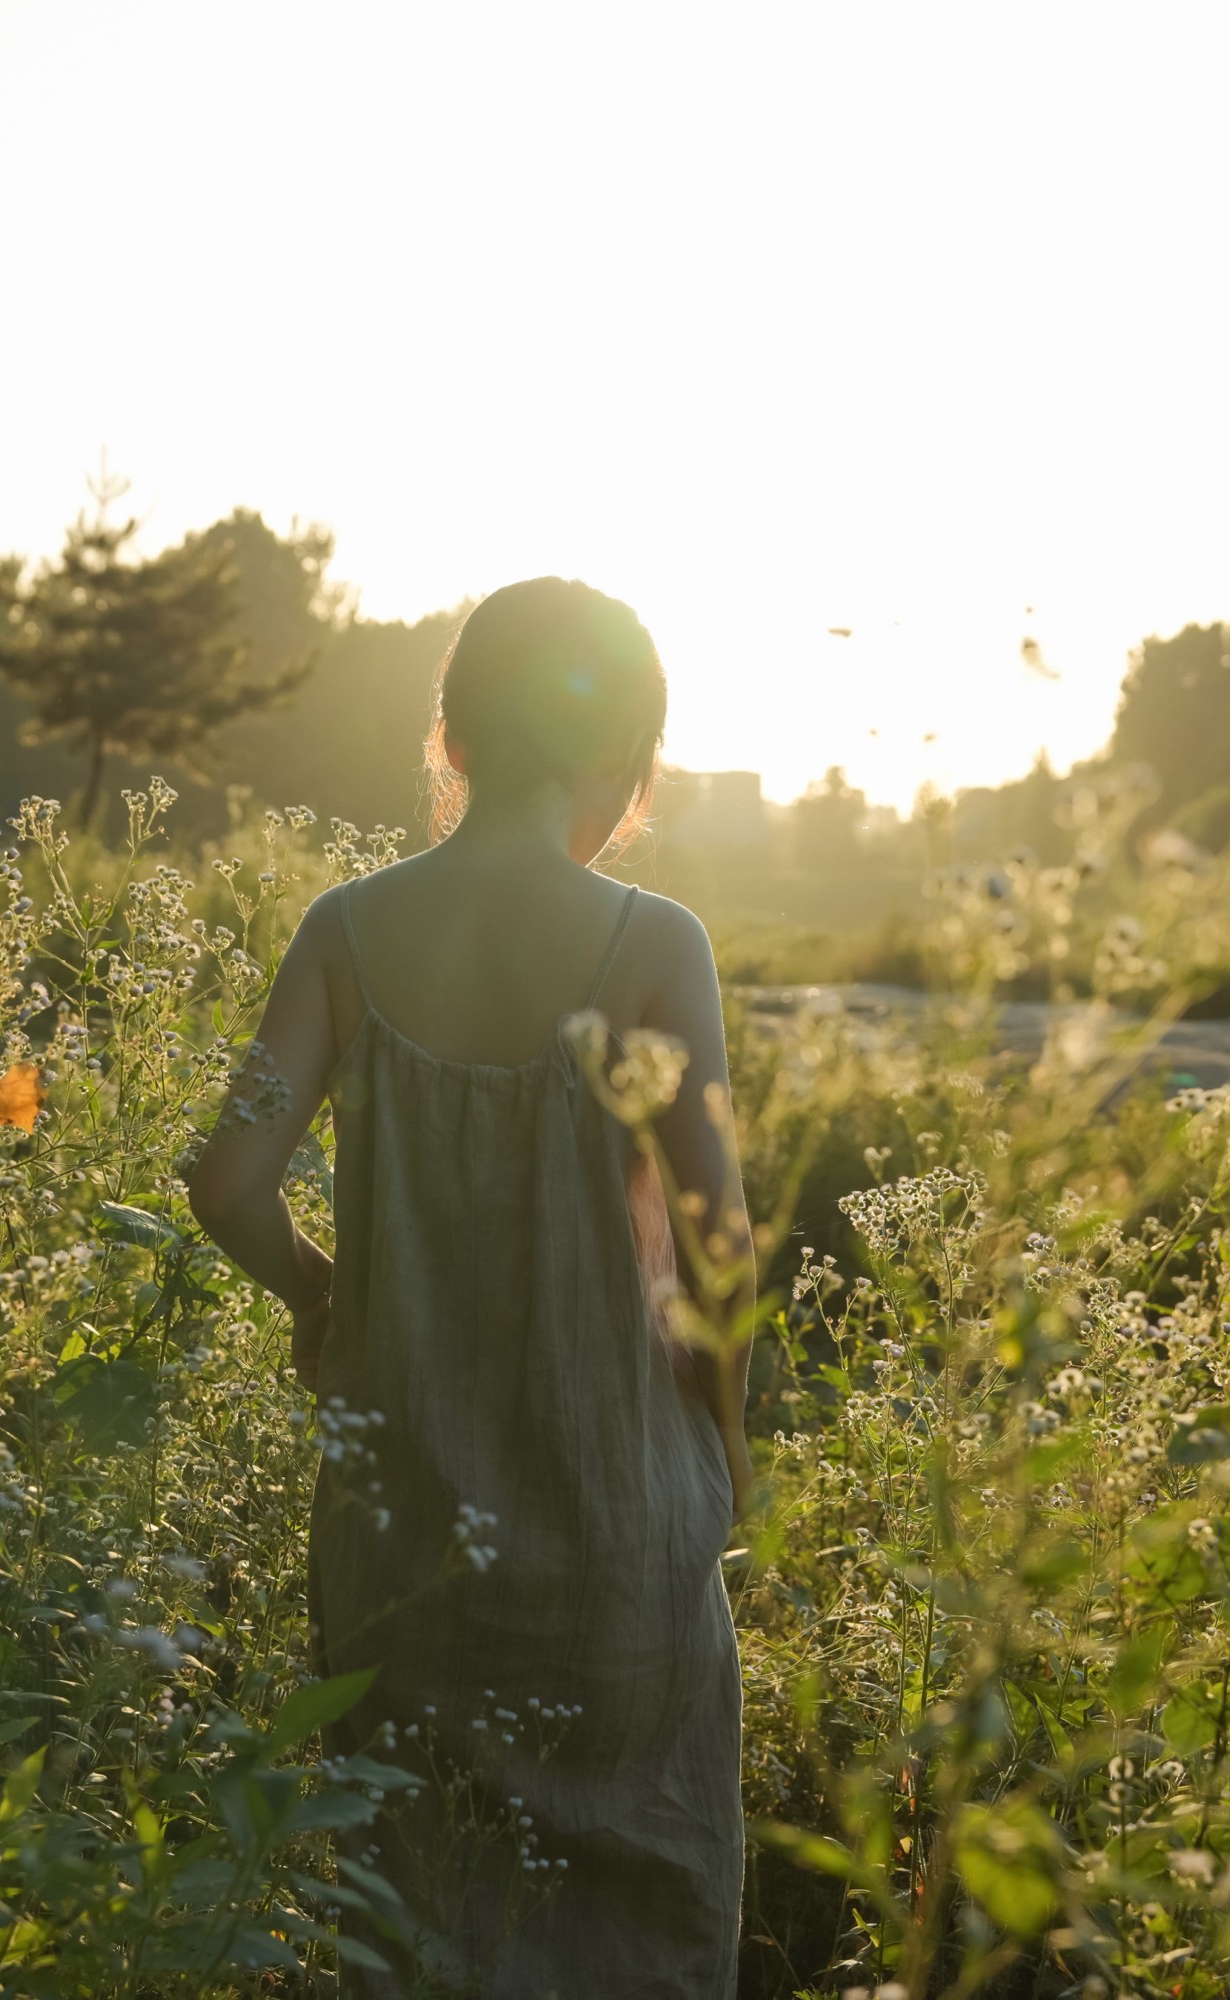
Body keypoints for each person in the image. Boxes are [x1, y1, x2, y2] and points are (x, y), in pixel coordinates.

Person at [183, 577, 751, 1998]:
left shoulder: (347, 934)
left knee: (416, 1922)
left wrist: (322, 1297)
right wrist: (727, 1459)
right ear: (626, 753)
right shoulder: (658, 947)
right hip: (616, 1533)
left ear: (453, 734)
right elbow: (720, 1254)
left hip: (404, 1548)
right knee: (639, 1916)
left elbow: (225, 1182)